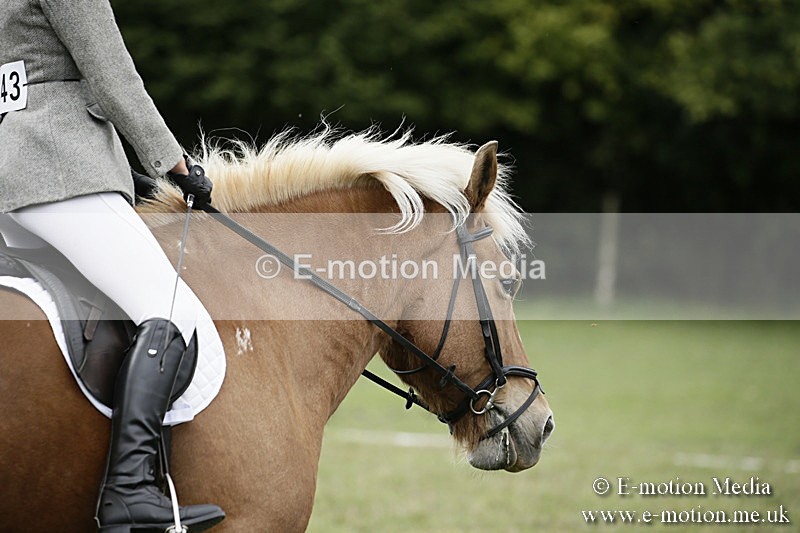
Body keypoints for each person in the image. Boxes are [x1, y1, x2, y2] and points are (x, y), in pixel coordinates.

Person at [0, 1, 225, 531]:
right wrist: (174, 165)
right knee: (172, 311)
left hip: (13, 174)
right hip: (57, 168)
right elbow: (111, 72)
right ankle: (131, 489)